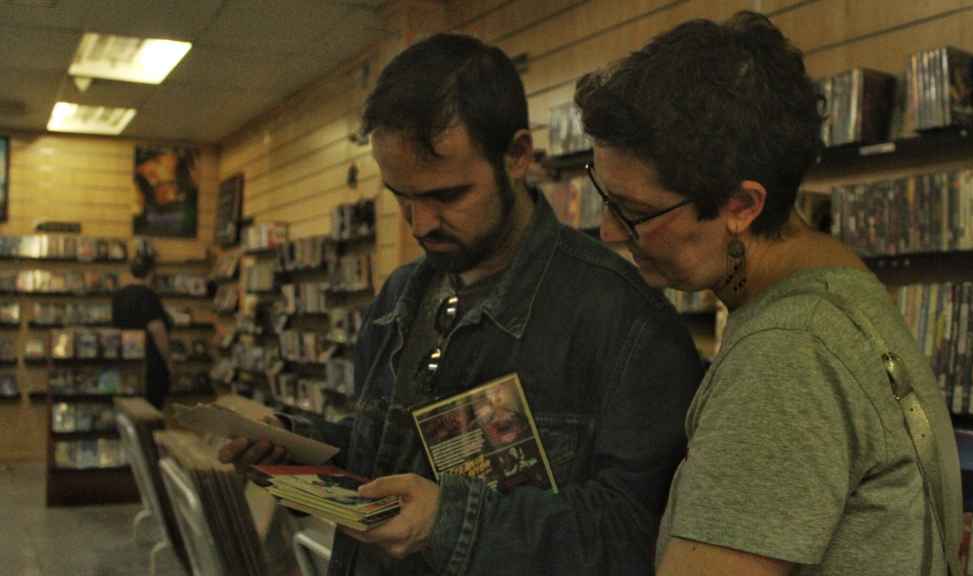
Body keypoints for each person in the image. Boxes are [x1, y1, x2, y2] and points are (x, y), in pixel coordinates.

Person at [219, 33, 704, 575]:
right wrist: (303, 451)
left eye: (447, 195)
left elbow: (635, 535)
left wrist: (450, 522)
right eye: (402, 197)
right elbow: (390, 457)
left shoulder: (623, 318)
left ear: (517, 155)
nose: (420, 224)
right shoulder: (399, 296)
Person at [573, 11, 963, 576]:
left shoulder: (786, 354)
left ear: (742, 206)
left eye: (634, 211)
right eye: (604, 198)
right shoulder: (837, 282)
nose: (609, 232)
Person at [112, 247, 173, 408]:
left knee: (130, 410)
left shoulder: (119, 296)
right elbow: (157, 330)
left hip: (126, 361)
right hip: (150, 365)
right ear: (151, 273)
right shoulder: (149, 296)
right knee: (152, 411)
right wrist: (168, 361)